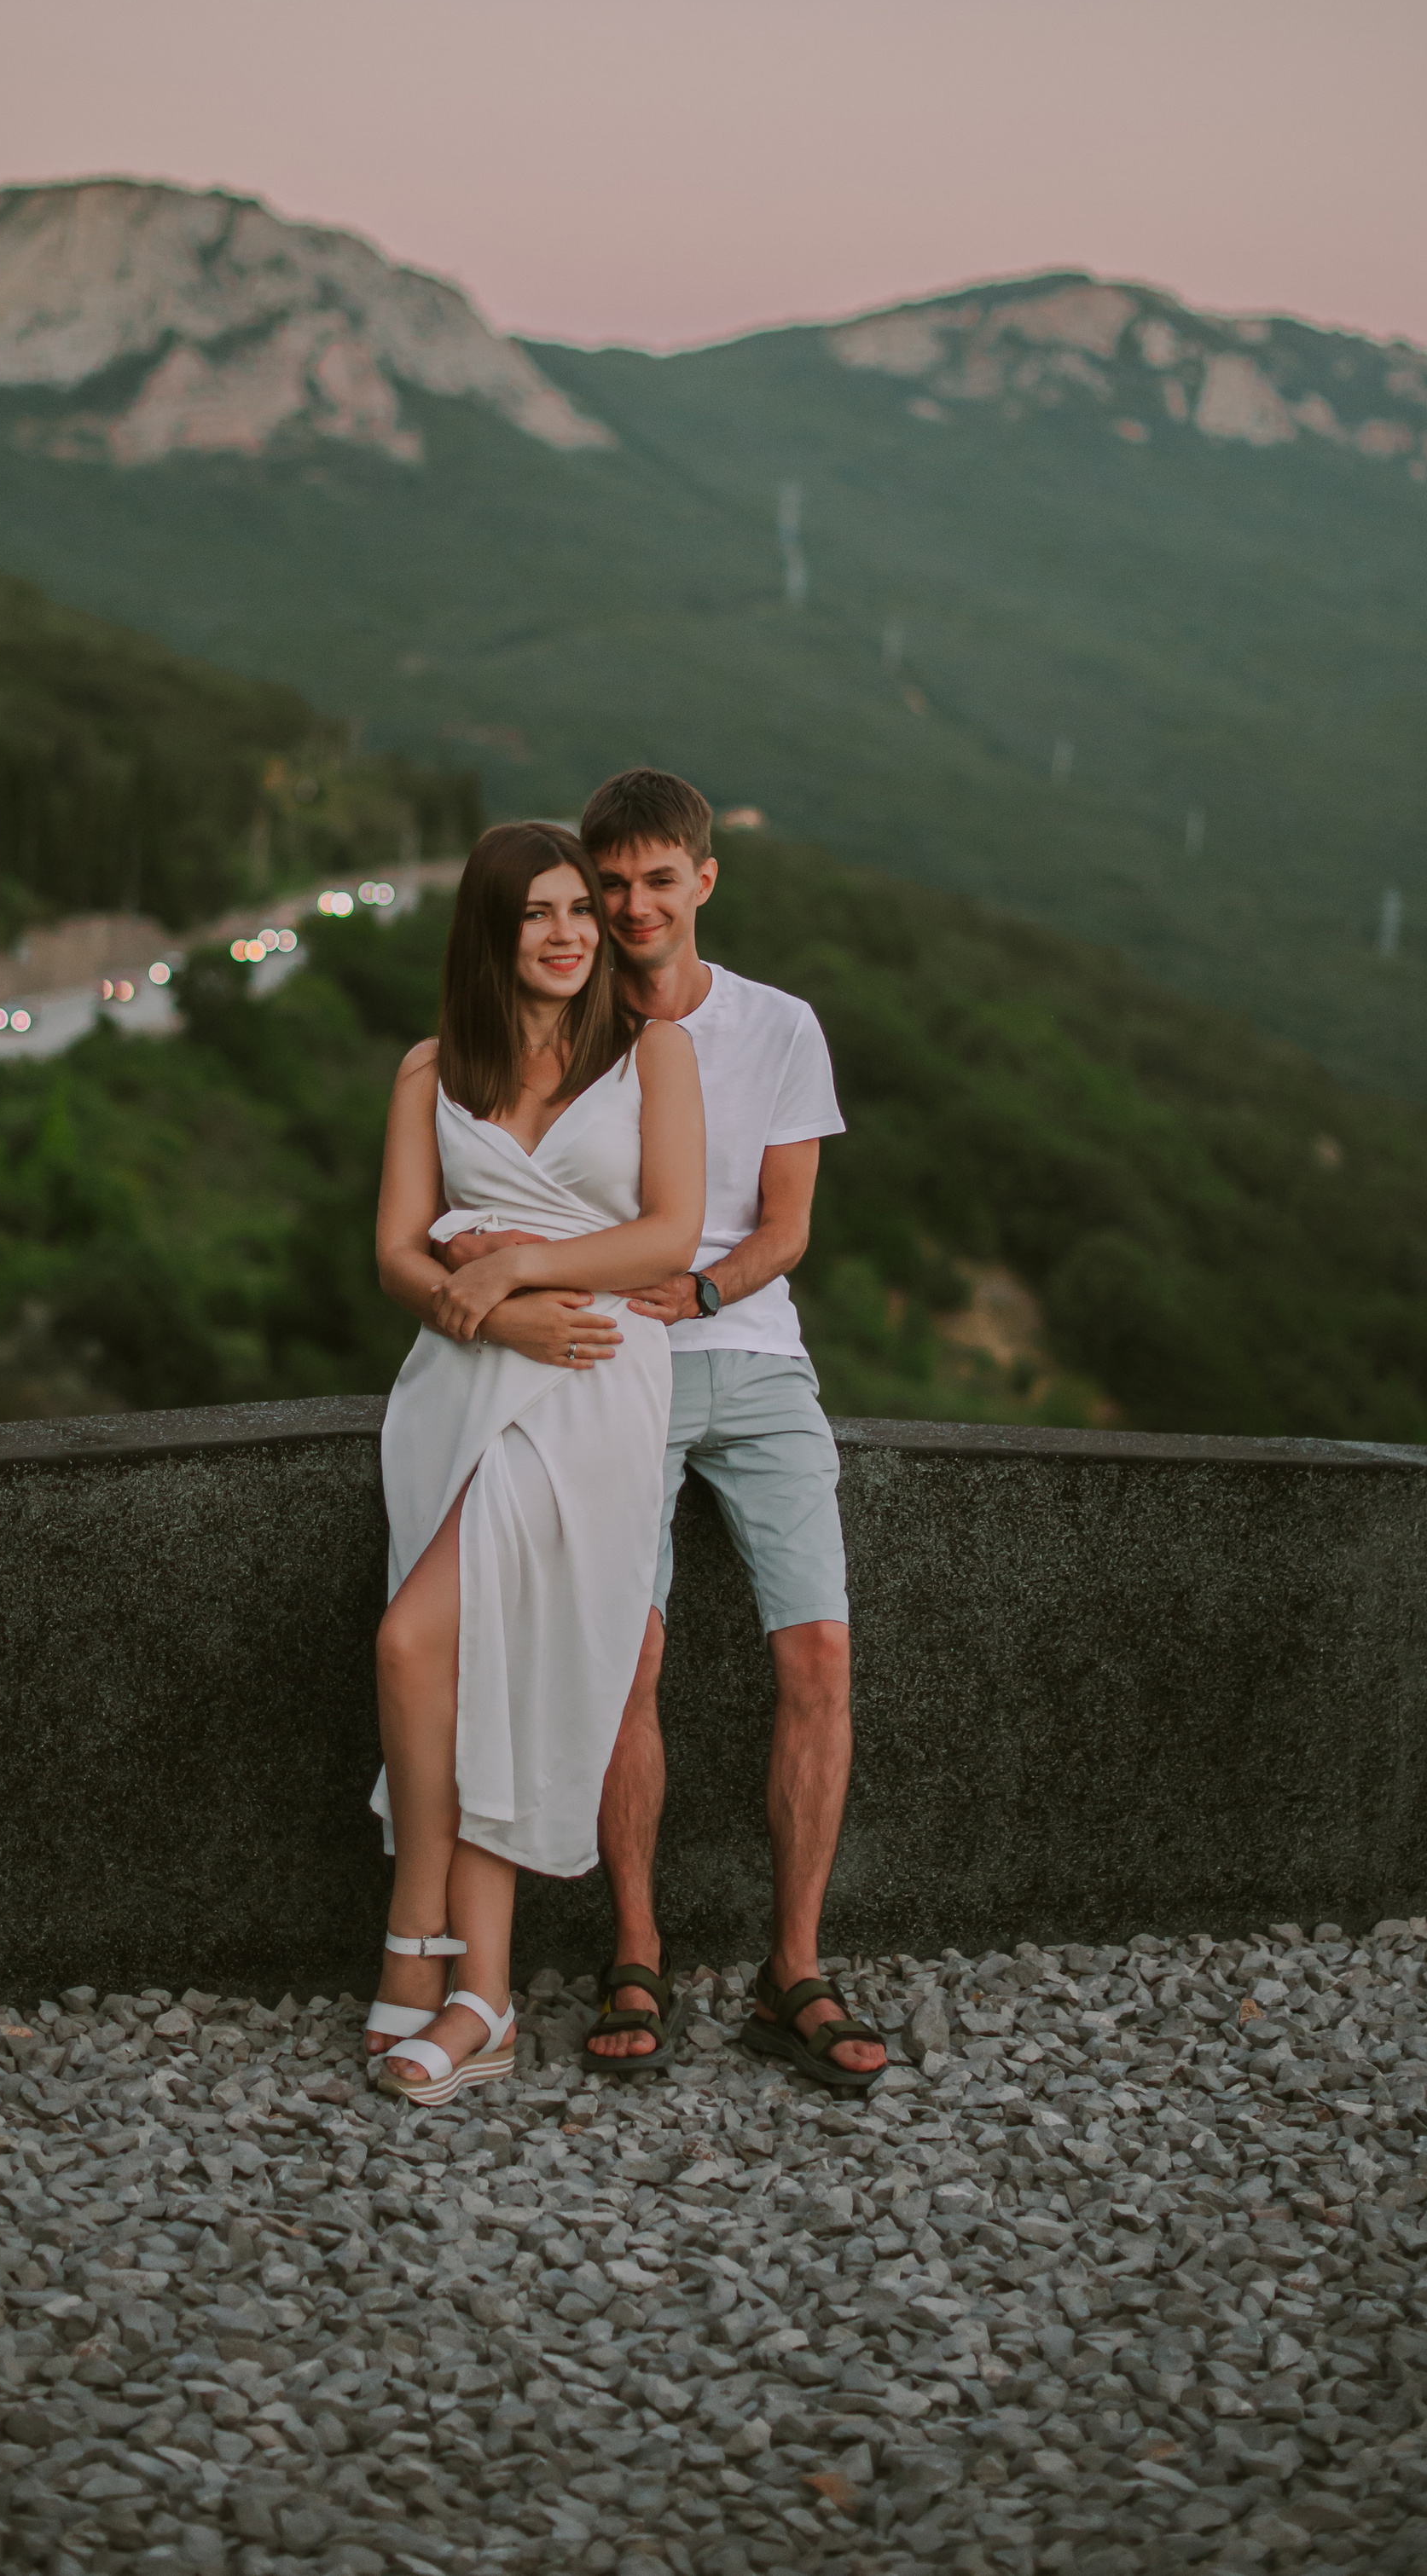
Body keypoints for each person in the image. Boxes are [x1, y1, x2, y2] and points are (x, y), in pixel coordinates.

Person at [367, 821, 705, 2108]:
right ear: (490, 930)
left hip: (588, 1382)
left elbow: (669, 1231)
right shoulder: (431, 1070)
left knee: (413, 1642)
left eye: (581, 907)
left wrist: (516, 1265)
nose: (569, 931)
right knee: (471, 1670)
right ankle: (482, 1995)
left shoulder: (650, 1053)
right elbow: (400, 1253)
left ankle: (417, 1926)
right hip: (459, 1380)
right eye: (537, 913)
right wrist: (487, 1307)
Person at [578, 767, 889, 2093]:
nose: (637, 904)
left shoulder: (779, 1025)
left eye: (661, 879)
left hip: (753, 1356)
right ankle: (635, 1949)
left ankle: (794, 1967)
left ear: (704, 879)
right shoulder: (573, 1021)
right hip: (614, 1368)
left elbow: (788, 1227)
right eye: (615, 884)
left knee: (818, 1655)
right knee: (626, 1659)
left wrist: (702, 1287)